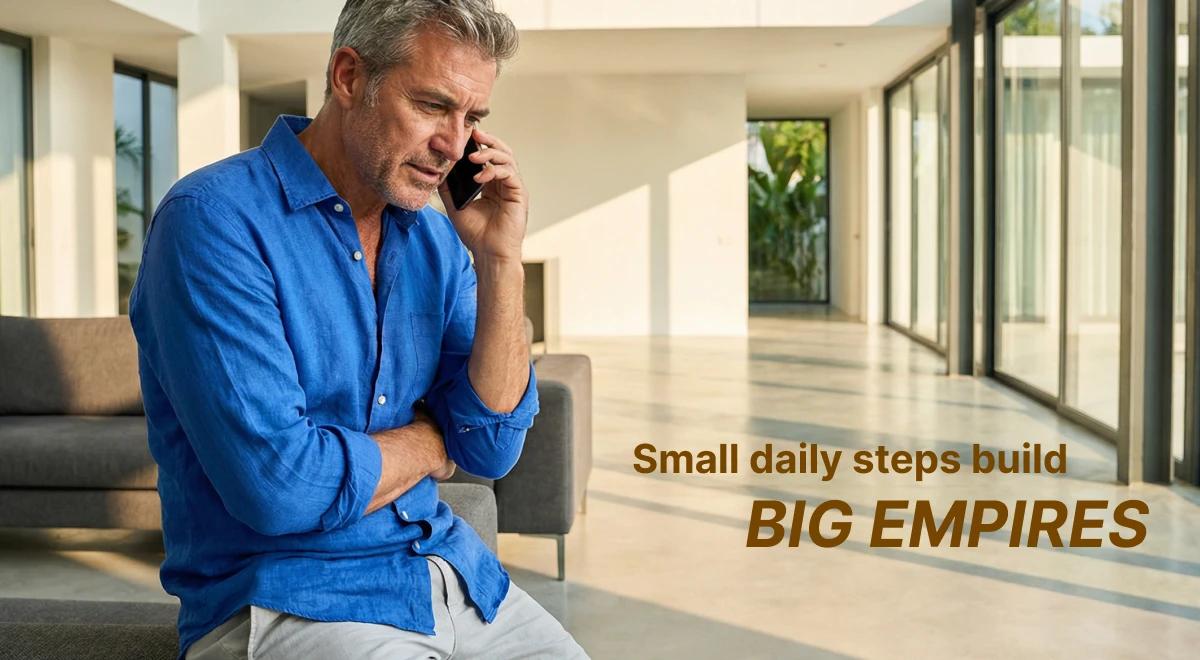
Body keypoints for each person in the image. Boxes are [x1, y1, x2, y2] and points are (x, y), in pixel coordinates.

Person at [128, 0, 588, 657]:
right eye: (433, 106)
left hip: (453, 578)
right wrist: (434, 442)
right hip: (292, 603)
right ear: (349, 77)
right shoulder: (214, 222)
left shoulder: (436, 236)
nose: (454, 145)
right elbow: (282, 487)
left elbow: (489, 449)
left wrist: (499, 259)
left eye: (472, 118)